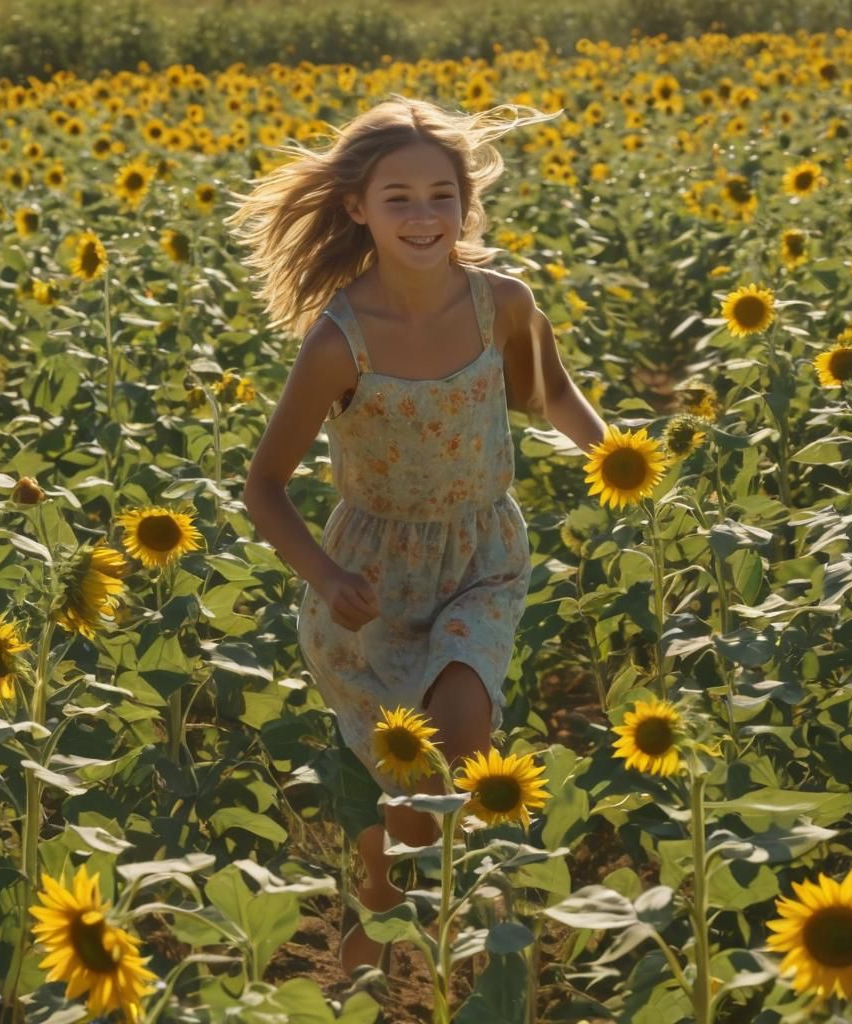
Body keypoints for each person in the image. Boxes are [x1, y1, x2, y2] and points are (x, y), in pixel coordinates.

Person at [226, 94, 608, 977]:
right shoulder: (339, 340)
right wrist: (323, 575)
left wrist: (622, 455)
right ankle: (383, 925)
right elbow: (265, 486)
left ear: (467, 203)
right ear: (357, 206)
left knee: (460, 728)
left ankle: (453, 909)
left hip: (480, 560)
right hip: (367, 587)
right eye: (399, 197)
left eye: (442, 195)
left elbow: (548, 396)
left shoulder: (501, 305)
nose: (425, 215)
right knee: (399, 802)